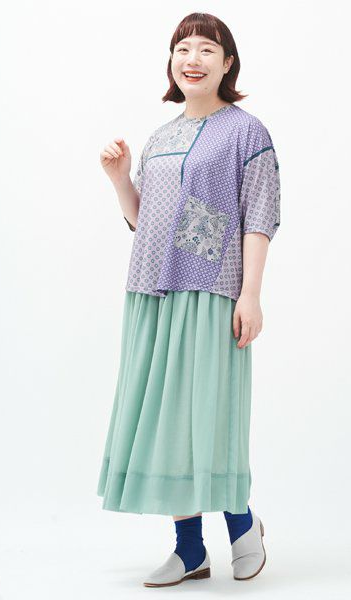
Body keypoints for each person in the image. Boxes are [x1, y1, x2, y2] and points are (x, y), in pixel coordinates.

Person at [96, 12, 281, 587]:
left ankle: (243, 526)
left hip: (211, 288)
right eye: (183, 48)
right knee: (167, 421)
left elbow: (259, 216)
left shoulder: (246, 132)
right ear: (171, 62)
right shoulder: (161, 137)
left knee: (208, 414)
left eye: (206, 48)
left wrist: (250, 295)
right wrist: (121, 178)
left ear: (228, 63)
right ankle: (189, 548)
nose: (192, 58)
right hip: (152, 291)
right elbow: (144, 219)